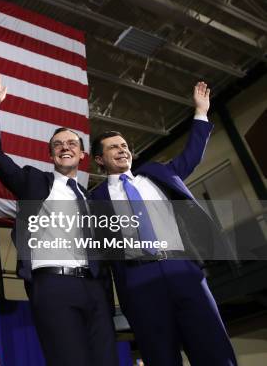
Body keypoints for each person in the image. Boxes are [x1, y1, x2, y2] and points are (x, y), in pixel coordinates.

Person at [90, 81, 237, 365]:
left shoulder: (157, 174)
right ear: (100, 159)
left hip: (182, 268)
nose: (122, 150)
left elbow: (191, 155)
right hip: (137, 279)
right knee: (160, 356)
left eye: (124, 146)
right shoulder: (94, 200)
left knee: (214, 349)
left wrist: (201, 113)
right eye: (113, 148)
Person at [0, 72, 117, 366]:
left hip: (95, 289)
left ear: (82, 155)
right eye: (58, 144)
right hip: (53, 286)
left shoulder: (91, 199)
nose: (64, 147)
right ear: (52, 154)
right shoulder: (33, 182)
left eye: (71, 144)